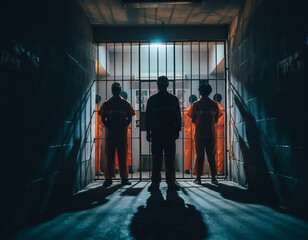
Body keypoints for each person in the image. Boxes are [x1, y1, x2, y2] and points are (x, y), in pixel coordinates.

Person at [145, 76, 181, 192]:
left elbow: (148, 118)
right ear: (167, 85)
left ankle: (155, 183)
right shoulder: (173, 99)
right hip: (169, 133)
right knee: (170, 159)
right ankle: (171, 182)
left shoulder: (152, 100)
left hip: (156, 133)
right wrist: (177, 131)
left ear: (158, 85)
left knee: (157, 159)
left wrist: (147, 132)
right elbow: (178, 117)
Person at [98, 82, 135, 187]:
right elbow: (102, 119)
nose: (115, 91)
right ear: (112, 90)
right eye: (114, 89)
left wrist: (113, 128)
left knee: (122, 155)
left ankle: (123, 178)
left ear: (120, 90)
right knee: (110, 156)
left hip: (116, 134)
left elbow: (129, 118)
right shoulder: (108, 103)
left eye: (117, 89)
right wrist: (112, 128)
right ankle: (109, 178)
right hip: (115, 133)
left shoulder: (123, 104)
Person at [188, 82, 222, 185]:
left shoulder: (196, 104)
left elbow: (193, 120)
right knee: (212, 155)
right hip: (211, 134)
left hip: (199, 134)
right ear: (210, 92)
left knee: (199, 156)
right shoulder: (214, 104)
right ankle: (213, 178)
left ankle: (198, 178)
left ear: (200, 92)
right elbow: (216, 119)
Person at [115, 91, 134, 174]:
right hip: (126, 130)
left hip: (115, 130)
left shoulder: (113, 104)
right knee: (127, 150)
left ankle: (116, 168)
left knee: (116, 150)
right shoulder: (127, 104)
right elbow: (130, 118)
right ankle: (128, 167)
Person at [183, 95, 197, 174]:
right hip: (196, 132)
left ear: (189, 101)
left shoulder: (185, 111)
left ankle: (187, 169)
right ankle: (196, 169)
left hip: (187, 133)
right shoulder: (197, 110)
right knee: (196, 152)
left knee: (187, 151)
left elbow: (185, 121)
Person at [213, 93, 225, 174]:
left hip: (212, 130)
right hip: (220, 131)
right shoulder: (222, 108)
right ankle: (220, 170)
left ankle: (213, 170)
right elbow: (221, 121)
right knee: (220, 151)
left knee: (212, 150)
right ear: (221, 100)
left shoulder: (212, 108)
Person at [95, 95, 104, 176]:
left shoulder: (91, 108)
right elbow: (103, 123)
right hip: (97, 134)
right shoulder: (99, 110)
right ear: (99, 101)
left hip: (91, 134)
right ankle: (97, 170)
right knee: (97, 152)